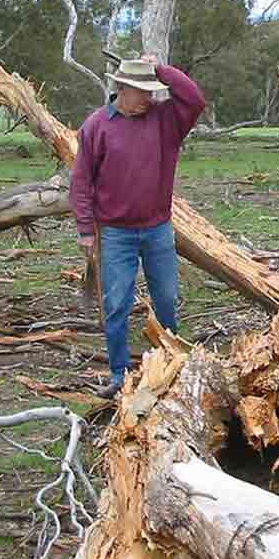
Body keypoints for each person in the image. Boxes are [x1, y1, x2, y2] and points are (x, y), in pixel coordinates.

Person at [69, 56, 205, 399]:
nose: (149, 97)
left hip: (158, 229)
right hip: (116, 233)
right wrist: (86, 229)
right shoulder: (96, 126)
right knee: (116, 303)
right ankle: (119, 374)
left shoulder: (166, 120)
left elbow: (194, 98)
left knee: (167, 299)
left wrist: (159, 69)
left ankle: (170, 365)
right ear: (122, 89)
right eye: (142, 91)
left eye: (152, 89)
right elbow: (81, 182)